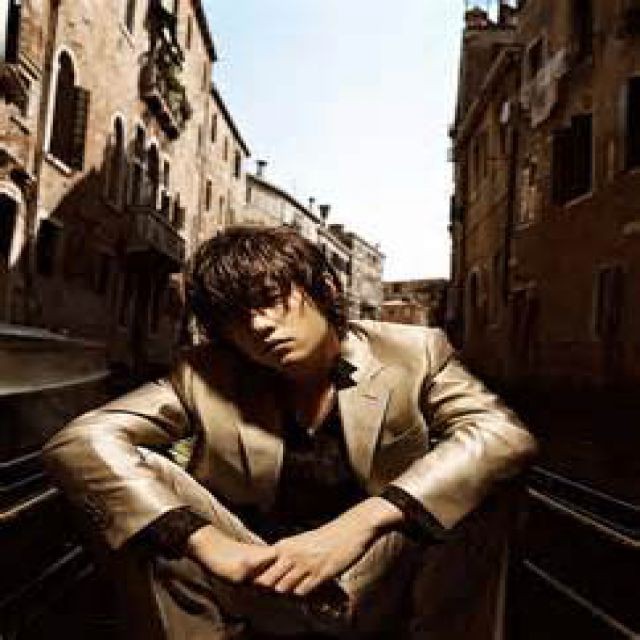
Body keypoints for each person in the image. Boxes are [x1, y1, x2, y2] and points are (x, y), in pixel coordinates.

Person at [43, 226, 537, 639]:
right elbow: (80, 441)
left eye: (270, 300)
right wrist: (206, 542)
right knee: (136, 481)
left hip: (380, 582)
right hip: (258, 577)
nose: (258, 325)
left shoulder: (415, 352)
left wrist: (359, 525)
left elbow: (503, 433)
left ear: (326, 290)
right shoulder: (204, 373)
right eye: (234, 317)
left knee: (481, 481)